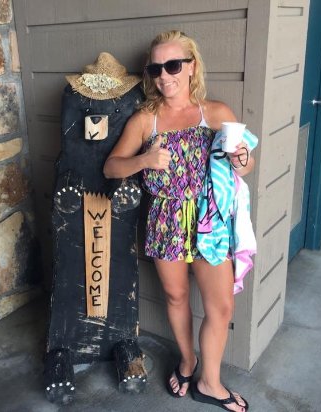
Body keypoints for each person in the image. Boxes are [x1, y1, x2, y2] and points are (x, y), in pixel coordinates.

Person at [103, 30, 253, 411]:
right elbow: (111, 167)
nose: (164, 76)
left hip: (209, 218)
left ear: (191, 67)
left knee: (221, 307)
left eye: (173, 65)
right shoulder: (145, 120)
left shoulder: (215, 113)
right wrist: (144, 160)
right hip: (165, 219)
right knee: (175, 296)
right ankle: (188, 361)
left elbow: (245, 165)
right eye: (156, 69)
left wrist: (242, 159)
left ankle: (210, 382)